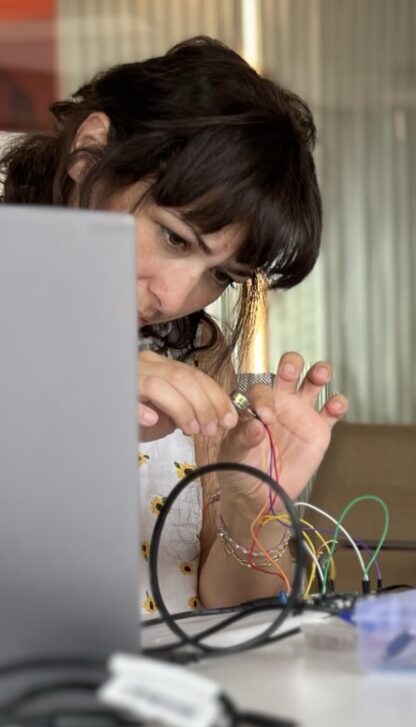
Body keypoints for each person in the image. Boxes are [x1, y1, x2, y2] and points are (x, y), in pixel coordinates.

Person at [0, 37, 347, 613]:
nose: (177, 297)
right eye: (174, 238)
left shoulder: (196, 350)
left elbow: (229, 614)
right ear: (89, 151)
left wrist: (251, 508)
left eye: (221, 275)